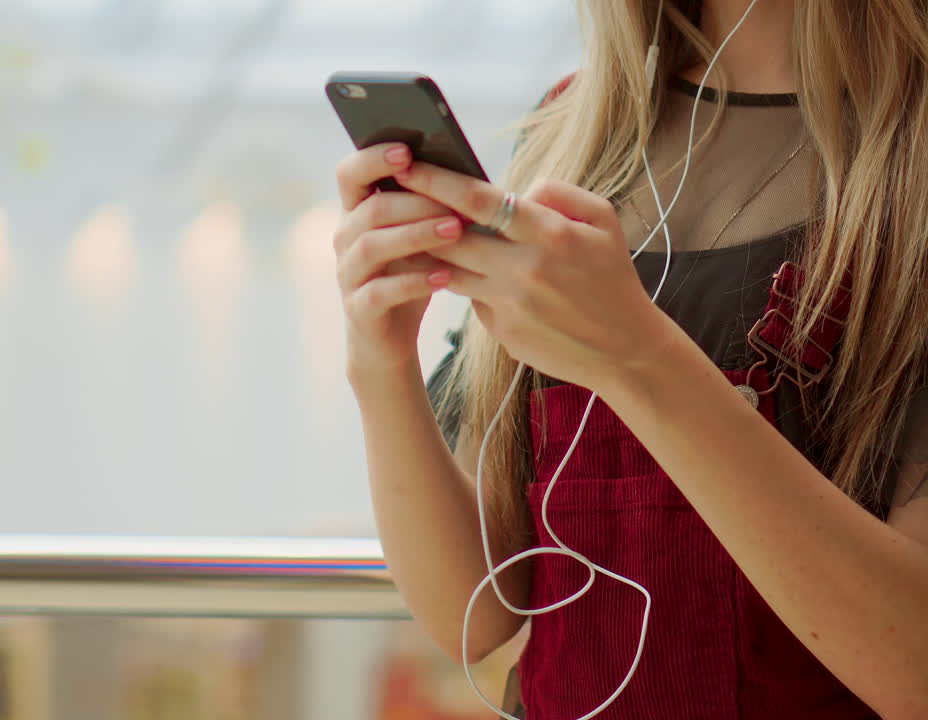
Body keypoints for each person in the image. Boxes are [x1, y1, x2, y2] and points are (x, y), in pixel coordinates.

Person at [331, 1, 928, 718]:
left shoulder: (908, 170)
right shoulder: (569, 133)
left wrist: (638, 359)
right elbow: (476, 609)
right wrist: (381, 366)